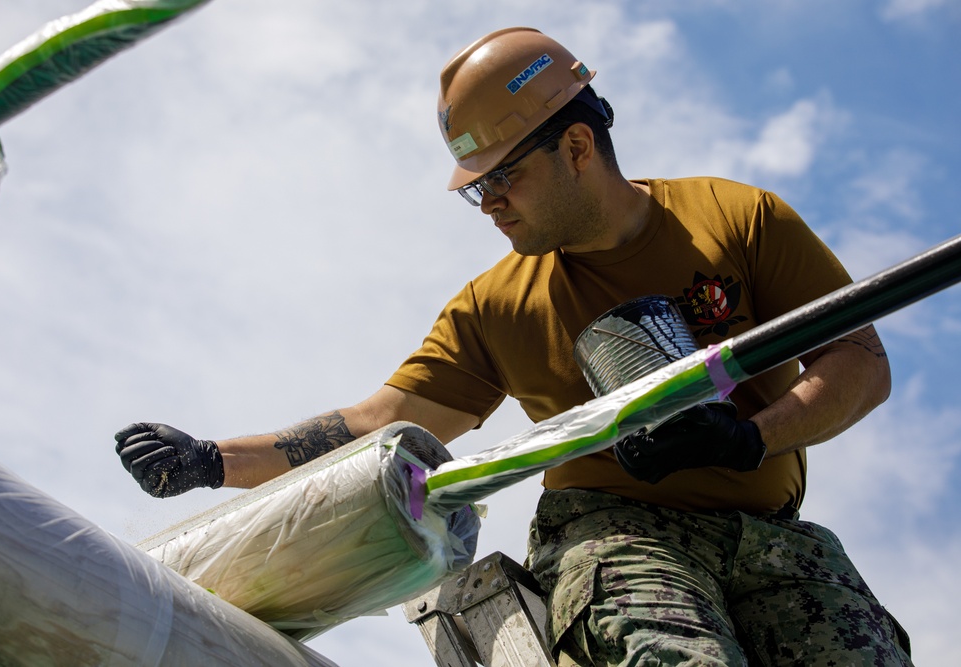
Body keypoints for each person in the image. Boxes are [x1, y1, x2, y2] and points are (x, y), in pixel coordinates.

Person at [115, 27, 913, 666]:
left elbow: (857, 364)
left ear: (574, 148)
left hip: (779, 537)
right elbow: (375, 424)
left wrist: (751, 438)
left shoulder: (737, 218)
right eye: (475, 190)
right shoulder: (498, 305)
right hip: (618, 534)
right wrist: (211, 459)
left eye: (501, 179)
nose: (489, 204)